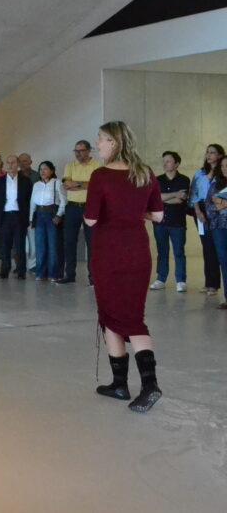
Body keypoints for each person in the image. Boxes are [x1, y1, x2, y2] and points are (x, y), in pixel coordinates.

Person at [85, 121, 164, 413]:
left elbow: (91, 220)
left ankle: (149, 385)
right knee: (130, 315)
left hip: (109, 254)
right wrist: (133, 213)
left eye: (101, 139)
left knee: (114, 315)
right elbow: (158, 215)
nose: (98, 144)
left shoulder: (100, 176)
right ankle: (120, 384)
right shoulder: (145, 173)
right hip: (138, 253)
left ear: (114, 143)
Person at [60, 140, 102, 284]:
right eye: (76, 151)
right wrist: (84, 185)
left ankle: (93, 277)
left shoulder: (97, 166)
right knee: (69, 242)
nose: (78, 154)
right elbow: (66, 184)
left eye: (81, 151)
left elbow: (96, 186)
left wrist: (76, 184)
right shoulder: (70, 165)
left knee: (92, 243)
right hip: (72, 207)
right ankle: (69, 275)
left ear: (89, 151)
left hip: (90, 207)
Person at [149, 151, 189, 293]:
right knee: (162, 251)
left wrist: (163, 198)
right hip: (160, 221)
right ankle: (161, 279)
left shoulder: (184, 180)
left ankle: (181, 280)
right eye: (164, 161)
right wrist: (174, 194)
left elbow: (180, 200)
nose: (164, 164)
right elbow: (155, 199)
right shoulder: (157, 180)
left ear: (176, 164)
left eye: (168, 161)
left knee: (179, 252)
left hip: (177, 222)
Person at [190, 144, 225, 296]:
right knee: (207, 247)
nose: (209, 155)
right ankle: (210, 283)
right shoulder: (200, 172)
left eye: (213, 152)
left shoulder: (222, 173)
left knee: (218, 248)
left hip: (218, 211)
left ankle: (215, 285)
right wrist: (198, 212)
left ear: (220, 155)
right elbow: (193, 194)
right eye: (207, 152)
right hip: (201, 210)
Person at [0, 155, 32, 279]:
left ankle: (21, 271)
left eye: (13, 162)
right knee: (5, 245)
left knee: (20, 245)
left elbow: (29, 200)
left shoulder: (25, 181)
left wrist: (28, 217)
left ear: (18, 164)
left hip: (19, 216)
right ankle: (4, 270)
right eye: (8, 163)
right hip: (5, 216)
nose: (10, 165)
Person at [29, 161, 65, 282]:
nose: (42, 171)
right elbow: (32, 203)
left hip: (52, 214)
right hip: (39, 215)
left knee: (53, 245)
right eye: (40, 169)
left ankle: (54, 273)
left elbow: (64, 201)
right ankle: (41, 273)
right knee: (40, 245)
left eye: (45, 169)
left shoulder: (57, 183)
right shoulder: (36, 185)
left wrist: (59, 215)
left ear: (52, 170)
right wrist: (31, 218)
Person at [204, 155, 227, 310]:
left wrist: (221, 202)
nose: (225, 168)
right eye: (223, 166)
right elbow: (208, 206)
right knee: (224, 262)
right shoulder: (215, 184)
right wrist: (219, 205)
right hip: (219, 228)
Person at [18, 153, 40, 273]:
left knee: (33, 241)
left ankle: (32, 265)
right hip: (19, 213)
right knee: (18, 241)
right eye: (20, 161)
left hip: (33, 212)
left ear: (30, 162)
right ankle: (19, 265)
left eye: (25, 161)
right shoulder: (15, 176)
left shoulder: (37, 176)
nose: (22, 164)